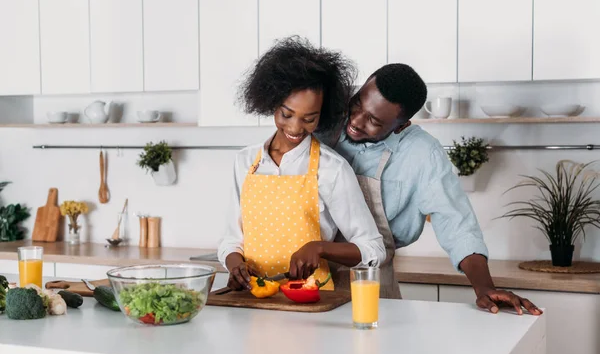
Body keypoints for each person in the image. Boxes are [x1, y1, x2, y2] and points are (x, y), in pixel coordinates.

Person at [314, 63, 541, 314]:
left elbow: (457, 225)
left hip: (372, 290)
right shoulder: (324, 122)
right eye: (357, 104)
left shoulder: (423, 154)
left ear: (400, 126)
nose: (355, 121)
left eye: (373, 121)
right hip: (310, 279)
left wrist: (485, 288)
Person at [217, 37, 386, 292]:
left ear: (323, 113)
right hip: (252, 300)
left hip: (310, 302)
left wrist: (320, 248)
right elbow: (231, 240)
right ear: (271, 102)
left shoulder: (332, 168)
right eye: (286, 114)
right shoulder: (244, 162)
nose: (295, 128)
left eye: (309, 118)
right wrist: (234, 264)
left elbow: (374, 248)